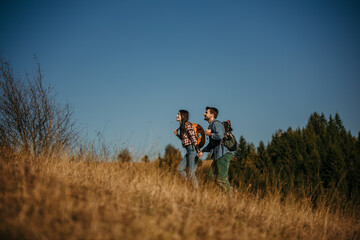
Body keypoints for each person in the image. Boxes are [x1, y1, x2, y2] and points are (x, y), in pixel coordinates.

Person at [197, 107, 232, 192]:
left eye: (206, 112)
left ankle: (230, 198)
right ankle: (229, 191)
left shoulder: (216, 124)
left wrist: (210, 134)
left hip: (223, 154)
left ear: (212, 115)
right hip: (217, 155)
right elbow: (211, 145)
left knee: (221, 179)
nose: (204, 114)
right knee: (210, 176)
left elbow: (220, 136)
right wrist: (202, 151)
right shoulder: (211, 125)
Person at [174, 110, 201, 188]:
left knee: (191, 173)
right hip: (189, 150)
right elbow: (185, 140)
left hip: (192, 149)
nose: (176, 115)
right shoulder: (182, 127)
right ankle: (189, 185)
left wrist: (198, 150)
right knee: (179, 169)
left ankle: (196, 191)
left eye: (178, 114)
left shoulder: (187, 125)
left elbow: (193, 137)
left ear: (183, 116)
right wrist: (177, 135)